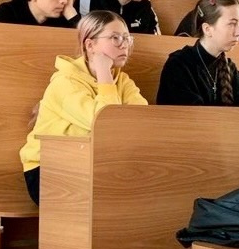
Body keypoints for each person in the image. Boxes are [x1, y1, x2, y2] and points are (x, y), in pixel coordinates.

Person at [19, 10, 145, 204]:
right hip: (48, 169)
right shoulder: (65, 82)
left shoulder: (123, 81)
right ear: (90, 45)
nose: (124, 45)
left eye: (127, 38)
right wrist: (103, 72)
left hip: (93, 164)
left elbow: (140, 119)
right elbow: (103, 123)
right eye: (115, 38)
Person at [157, 0, 239, 106]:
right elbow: (191, 114)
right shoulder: (178, 65)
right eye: (232, 24)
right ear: (207, 29)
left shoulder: (231, 70)